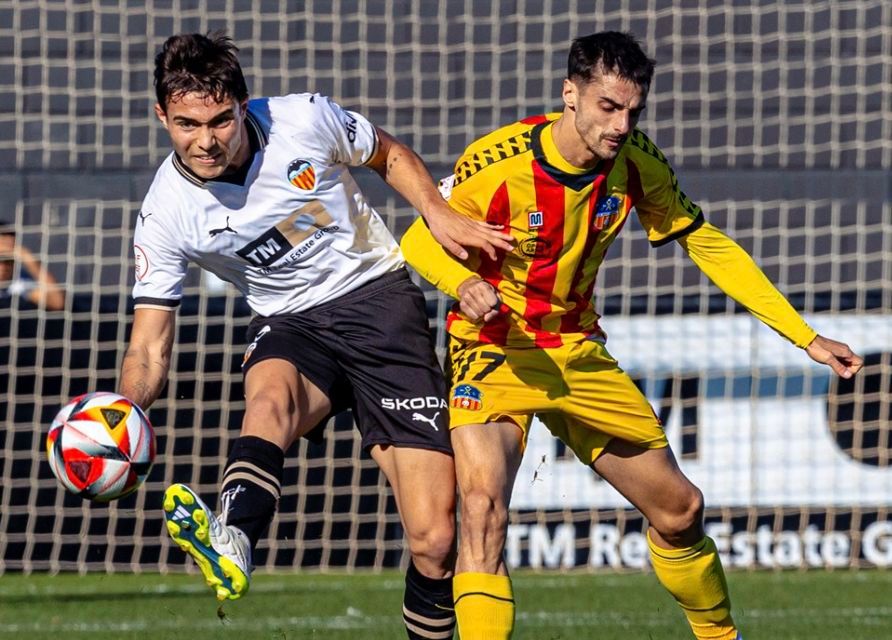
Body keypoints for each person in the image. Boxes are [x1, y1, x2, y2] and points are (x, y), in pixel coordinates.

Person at [400, 31, 864, 640]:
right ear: (570, 94)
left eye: (633, 111)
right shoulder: (498, 161)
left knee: (680, 510)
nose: (621, 125)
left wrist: (804, 337)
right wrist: (463, 283)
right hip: (493, 348)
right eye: (609, 107)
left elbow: (706, 243)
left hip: (577, 351)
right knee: (482, 509)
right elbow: (418, 238)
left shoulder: (637, 162)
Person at [118, 32, 511, 639]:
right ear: (161, 117)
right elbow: (149, 347)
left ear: (243, 105)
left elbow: (387, 154)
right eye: (187, 124)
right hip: (289, 322)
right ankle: (234, 538)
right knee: (269, 400)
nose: (206, 141)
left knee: (435, 540)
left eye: (220, 121)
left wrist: (436, 211)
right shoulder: (164, 212)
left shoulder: (302, 120)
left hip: (378, 302)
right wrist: (122, 414)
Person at [0, 221, 65, 311]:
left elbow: (57, 303)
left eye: (9, 259)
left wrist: (29, 260)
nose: (4, 266)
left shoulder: (19, 282)